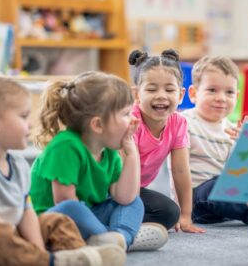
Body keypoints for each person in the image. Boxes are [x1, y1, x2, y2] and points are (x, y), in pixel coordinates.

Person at [0, 76, 125, 266]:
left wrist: (37, 247)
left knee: (55, 220)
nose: (30, 124)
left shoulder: (18, 164)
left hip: (13, 236)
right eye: (23, 117)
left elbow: (27, 213)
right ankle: (54, 261)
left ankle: (79, 256)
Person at [30, 71, 168, 253]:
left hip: (89, 216)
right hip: (54, 222)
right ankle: (114, 239)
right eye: (126, 113)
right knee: (71, 206)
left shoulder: (109, 149)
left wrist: (132, 153)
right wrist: (98, 227)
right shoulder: (65, 146)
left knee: (134, 202)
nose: (134, 119)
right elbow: (63, 201)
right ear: (97, 125)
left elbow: (124, 197)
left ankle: (118, 238)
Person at [180, 56, 248, 227]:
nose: (221, 98)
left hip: (224, 197)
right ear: (193, 94)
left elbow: (239, 171)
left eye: (229, 92)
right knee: (216, 187)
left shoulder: (232, 129)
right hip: (195, 199)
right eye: (212, 90)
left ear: (237, 96)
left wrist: (245, 146)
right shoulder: (182, 122)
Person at [128, 49, 205, 234]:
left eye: (169, 89)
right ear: (137, 95)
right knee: (126, 206)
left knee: (170, 213)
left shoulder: (178, 123)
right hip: (111, 186)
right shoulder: (131, 121)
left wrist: (186, 215)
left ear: (180, 95)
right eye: (152, 89)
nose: (161, 95)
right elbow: (123, 171)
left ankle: (122, 221)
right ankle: (117, 223)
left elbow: (180, 170)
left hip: (135, 191)